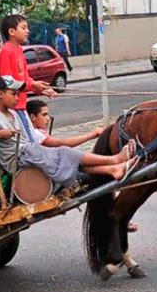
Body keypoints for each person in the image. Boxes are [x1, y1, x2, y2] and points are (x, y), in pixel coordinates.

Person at [0, 76, 136, 190]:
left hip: (29, 151)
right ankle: (113, 160)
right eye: (13, 94)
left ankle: (113, 170)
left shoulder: (13, 113)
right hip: (19, 158)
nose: (17, 98)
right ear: (0, 94)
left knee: (69, 161)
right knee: (65, 153)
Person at [26, 99, 139, 233]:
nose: (48, 119)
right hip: (50, 176)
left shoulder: (39, 133)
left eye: (48, 114)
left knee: (81, 163)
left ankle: (114, 168)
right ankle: (117, 213)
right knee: (82, 164)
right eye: (44, 115)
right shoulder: (35, 134)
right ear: (32, 117)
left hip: (55, 169)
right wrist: (92, 134)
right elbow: (61, 143)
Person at [0, 14, 57, 143]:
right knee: (29, 144)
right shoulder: (6, 51)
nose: (27, 31)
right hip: (13, 107)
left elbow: (25, 77)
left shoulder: (18, 50)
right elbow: (7, 81)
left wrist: (39, 87)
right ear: (12, 31)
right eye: (23, 28)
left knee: (31, 141)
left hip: (21, 105)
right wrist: (31, 86)